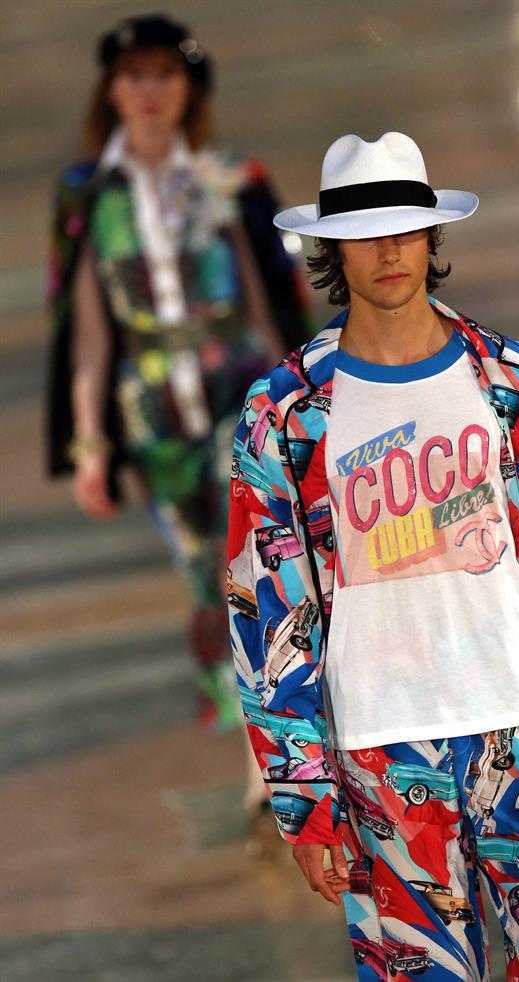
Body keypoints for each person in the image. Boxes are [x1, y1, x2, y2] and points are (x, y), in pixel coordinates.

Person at [226, 132, 519, 979]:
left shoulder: (515, 381)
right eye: (365, 234)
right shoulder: (286, 413)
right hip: (379, 752)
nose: (388, 251)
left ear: (432, 235)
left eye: (405, 229)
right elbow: (269, 614)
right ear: (332, 249)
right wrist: (303, 796)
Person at [46, 14, 309, 835]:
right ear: (111, 89)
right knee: (206, 582)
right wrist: (89, 445)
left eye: (166, 73)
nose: (151, 90)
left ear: (191, 87)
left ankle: (270, 764)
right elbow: (87, 330)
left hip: (237, 390)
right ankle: (261, 750)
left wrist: (296, 398)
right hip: (154, 414)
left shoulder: (227, 176)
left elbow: (267, 297)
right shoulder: (90, 194)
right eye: (135, 75)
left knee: (254, 561)